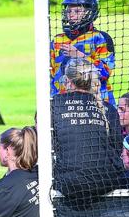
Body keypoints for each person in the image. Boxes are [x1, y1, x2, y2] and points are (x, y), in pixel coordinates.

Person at [51, 58, 124, 204]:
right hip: (106, 181)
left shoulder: (53, 106)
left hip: (68, 184)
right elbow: (116, 149)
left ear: (68, 81)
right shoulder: (109, 109)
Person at [50, 0, 116, 106]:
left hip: (96, 101)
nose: (71, 14)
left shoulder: (100, 38)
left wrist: (79, 55)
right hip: (63, 102)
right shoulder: (57, 40)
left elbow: (105, 72)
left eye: (77, 11)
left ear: (90, 12)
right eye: (69, 11)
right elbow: (51, 74)